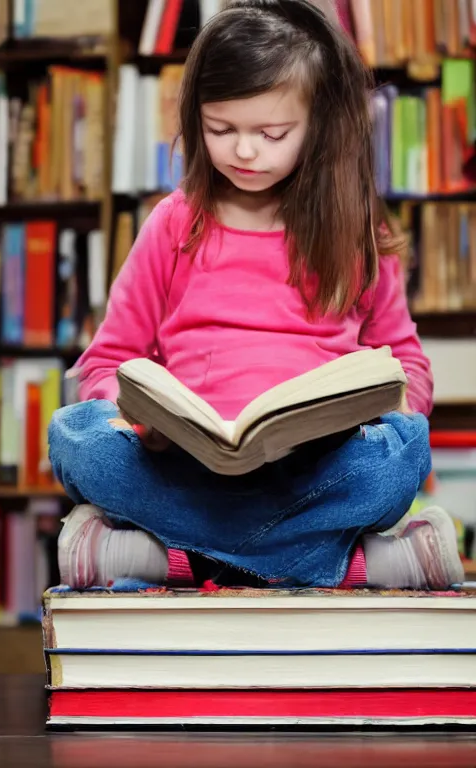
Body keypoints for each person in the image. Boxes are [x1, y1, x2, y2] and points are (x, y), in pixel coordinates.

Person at [49, 0, 463, 592]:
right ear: (196, 118)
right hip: (187, 465)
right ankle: (351, 564)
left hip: (314, 470)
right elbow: (107, 360)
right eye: (221, 130)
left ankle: (171, 555)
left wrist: (387, 411)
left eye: (271, 134)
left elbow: (408, 365)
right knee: (76, 437)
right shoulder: (175, 224)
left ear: (318, 124)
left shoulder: (355, 231)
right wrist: (136, 419)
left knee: (399, 455)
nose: (244, 151)